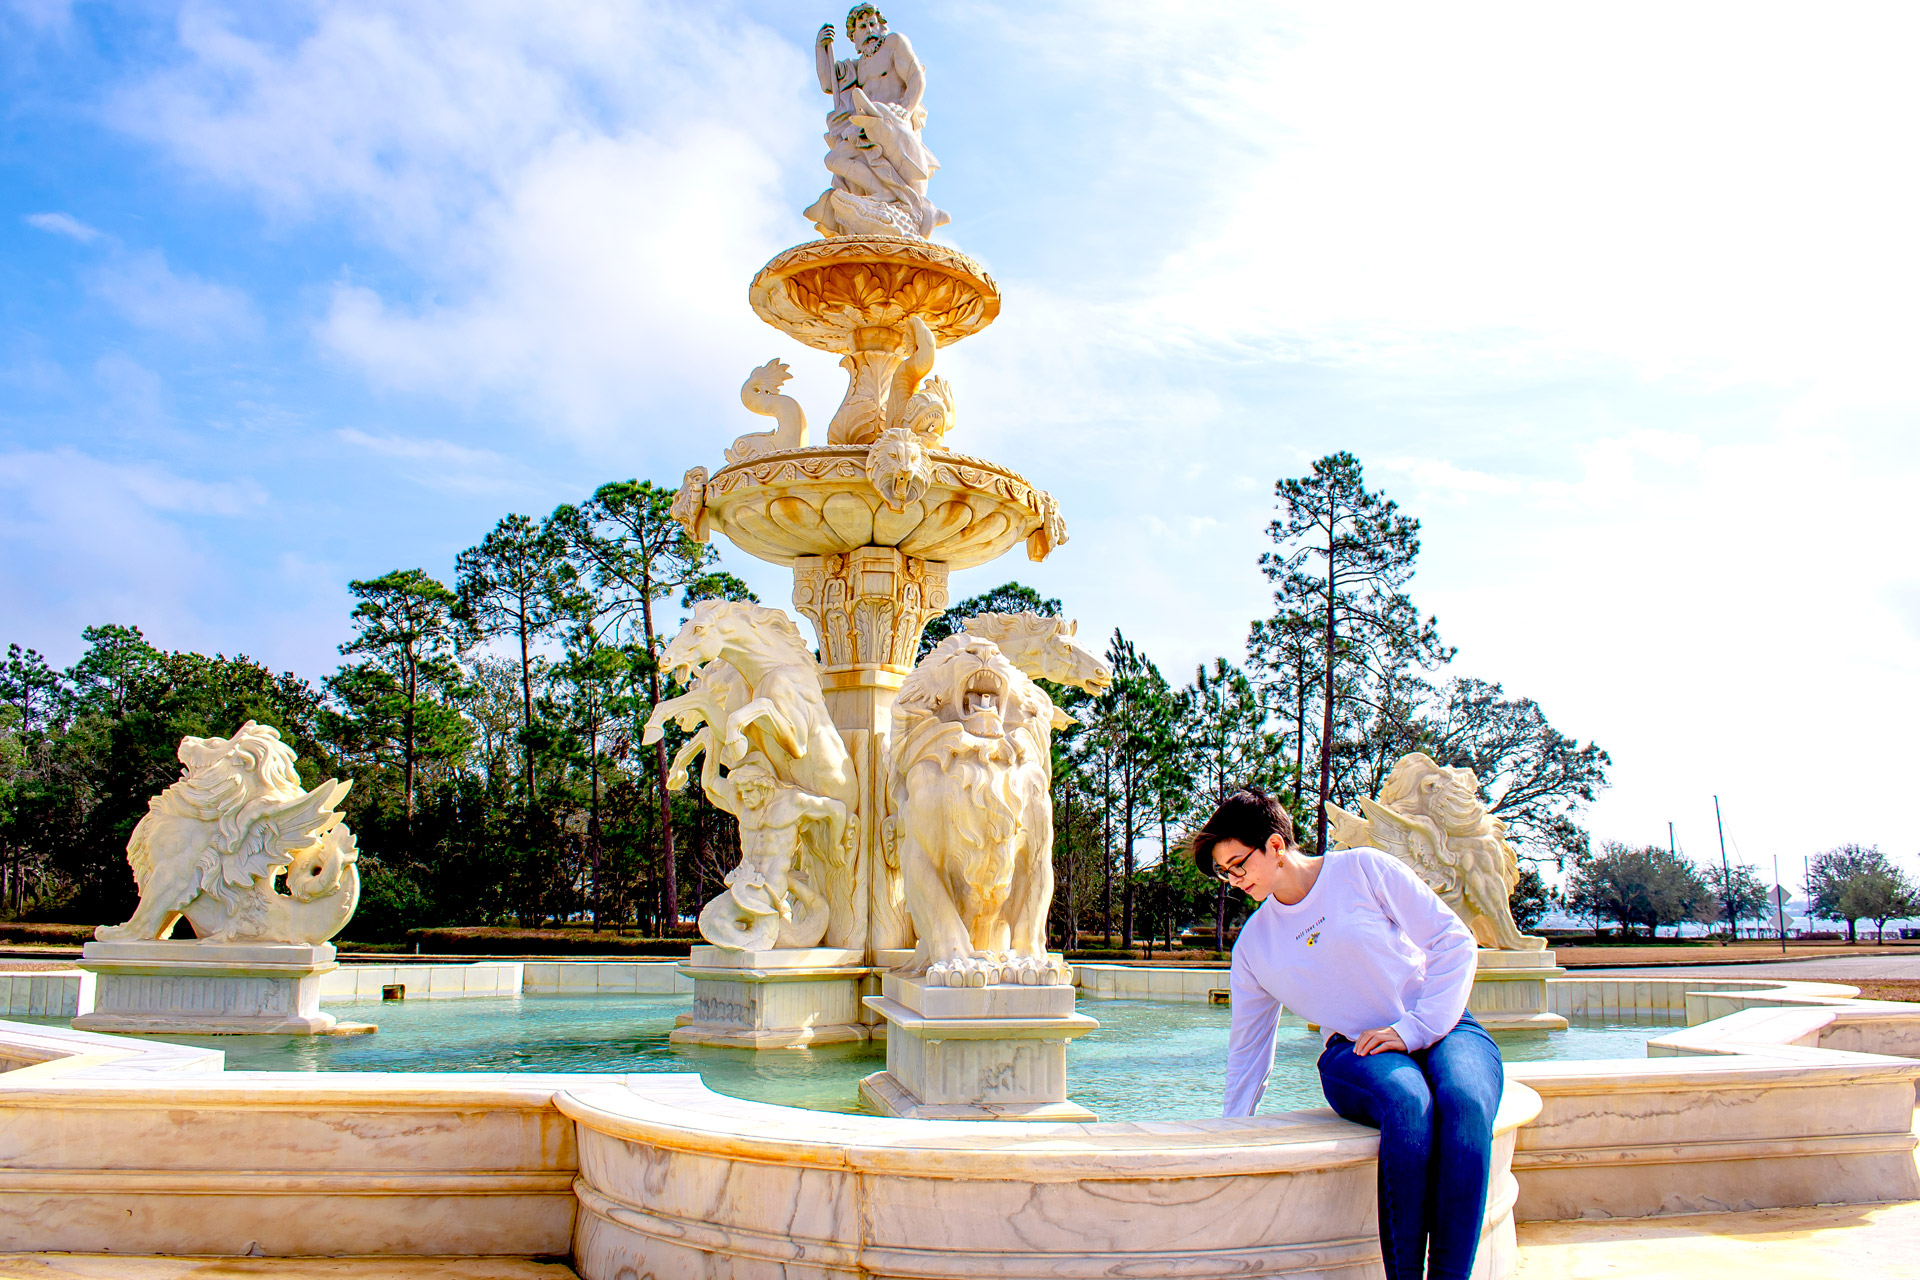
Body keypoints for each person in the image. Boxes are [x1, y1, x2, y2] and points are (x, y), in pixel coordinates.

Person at [1195, 787, 1504, 1280]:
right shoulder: (1254, 945)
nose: (1233, 880)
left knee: (1465, 1103)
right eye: (1224, 873)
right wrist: (1234, 1129)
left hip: (1444, 1026)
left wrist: (1416, 1028)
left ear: (1276, 846)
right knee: (1408, 1103)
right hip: (1356, 1052)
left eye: (1238, 864)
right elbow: (1249, 1045)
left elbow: (1454, 942)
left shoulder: (1362, 869)